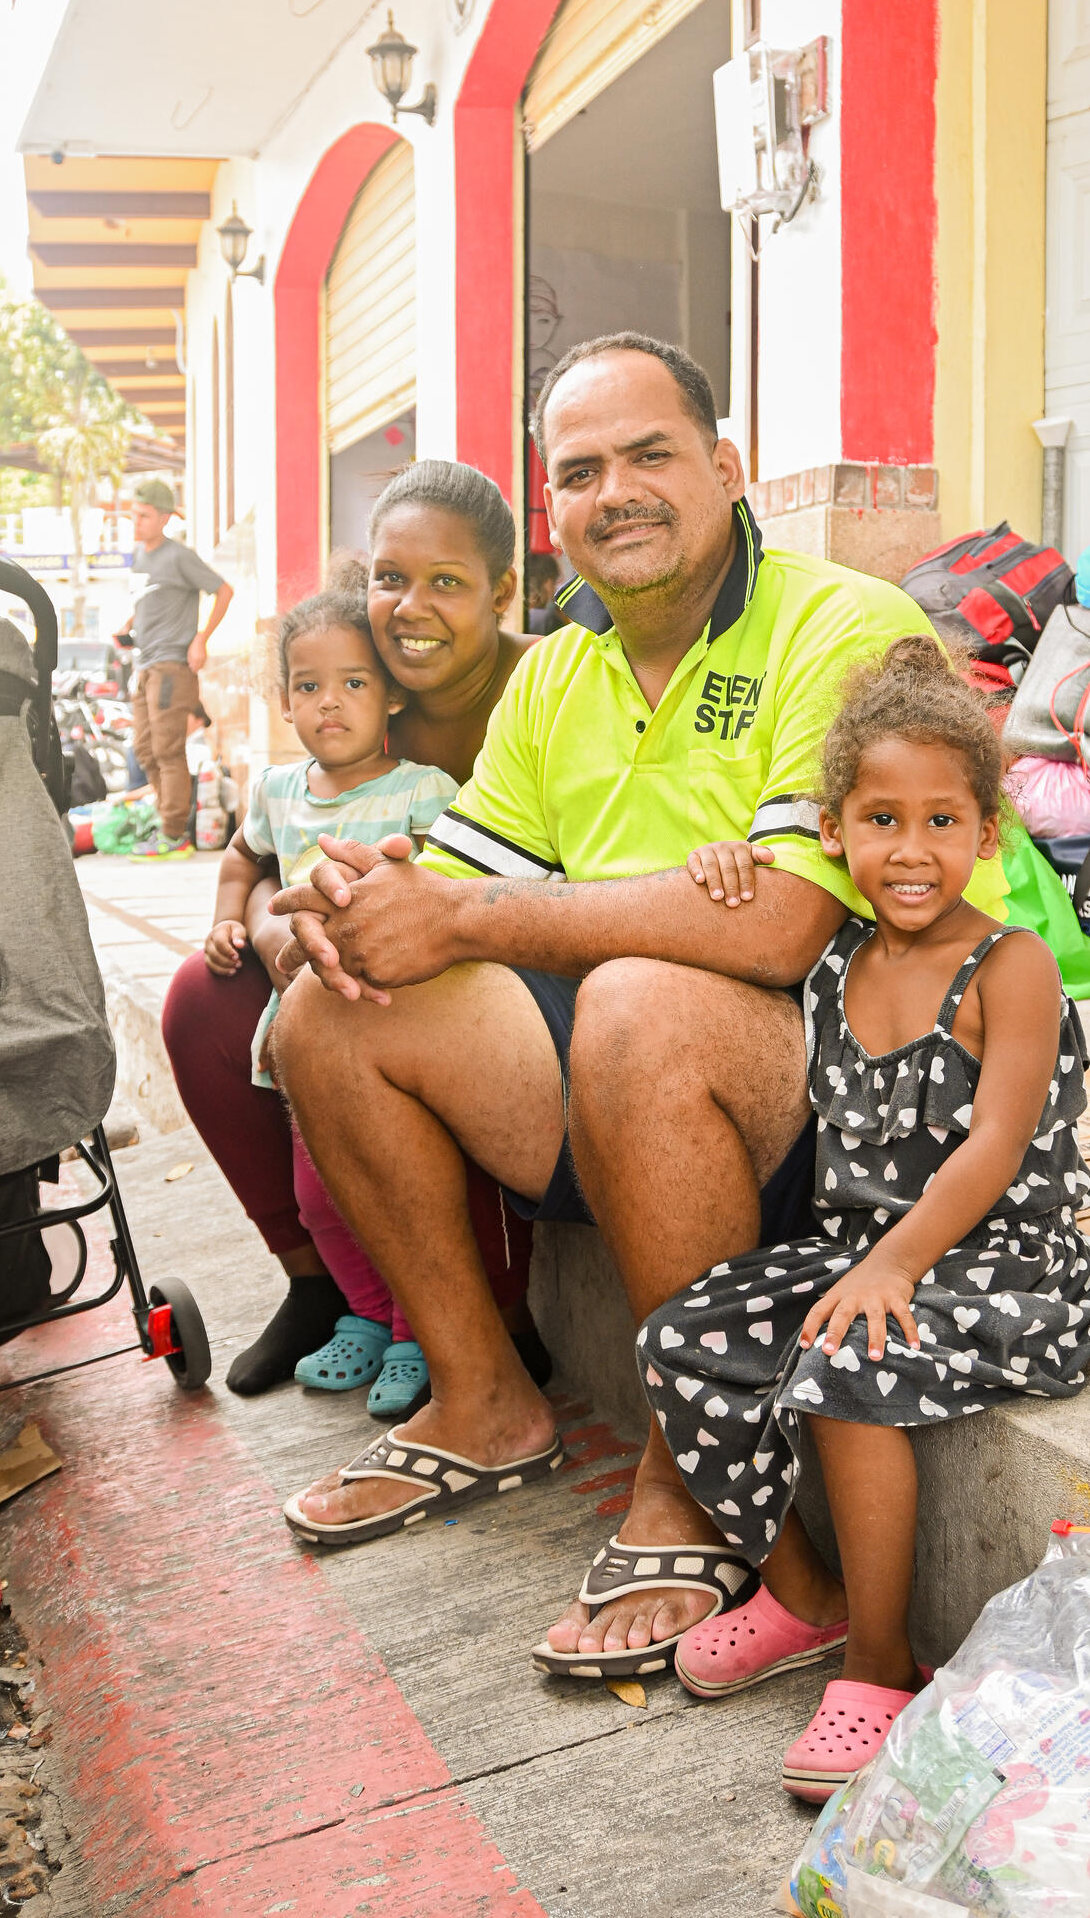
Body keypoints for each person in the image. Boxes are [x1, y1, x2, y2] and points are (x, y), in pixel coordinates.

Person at [266, 332, 1007, 1651]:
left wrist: (480, 917)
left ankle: (694, 1476)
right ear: (551, 515)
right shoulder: (557, 672)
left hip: (863, 1091)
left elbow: (783, 927)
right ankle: (484, 1400)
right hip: (635, 1093)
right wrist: (346, 907)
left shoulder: (847, 624)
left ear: (727, 469)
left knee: (637, 1000)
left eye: (649, 455)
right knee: (336, 1004)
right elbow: (448, 880)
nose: (614, 493)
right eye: (579, 472)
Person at [639, 636, 1090, 1798]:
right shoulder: (834, 956)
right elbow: (725, 909)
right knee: (683, 1335)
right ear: (834, 828)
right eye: (881, 820)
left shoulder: (1011, 965)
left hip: (1005, 1259)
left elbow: (996, 1145)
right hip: (868, 1251)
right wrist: (720, 859)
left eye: (942, 822)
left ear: (988, 833)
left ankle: (878, 1665)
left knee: (851, 1357)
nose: (911, 851)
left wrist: (896, 1268)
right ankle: (804, 1591)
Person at [160, 459, 543, 1396]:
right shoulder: (353, 704)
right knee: (199, 1000)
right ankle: (319, 1283)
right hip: (331, 956)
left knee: (400, 1015)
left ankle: (489, 1311)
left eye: (446, 583)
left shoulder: (547, 688)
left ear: (500, 591)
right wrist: (265, 930)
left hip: (484, 965)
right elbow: (265, 853)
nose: (410, 607)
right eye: (388, 579)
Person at [205, 587, 457, 1417]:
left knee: (398, 1179)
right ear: (284, 700)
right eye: (308, 686)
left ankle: (423, 1327)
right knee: (320, 1195)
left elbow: (448, 881)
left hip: (392, 1019)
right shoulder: (277, 791)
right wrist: (225, 920)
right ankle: (367, 1317)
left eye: (353, 683)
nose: (329, 703)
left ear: (391, 692)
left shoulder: (422, 789)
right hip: (301, 1031)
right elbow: (244, 862)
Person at [122, 477, 234, 859]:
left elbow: (223, 589)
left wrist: (201, 638)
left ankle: (173, 834)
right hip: (145, 665)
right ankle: (166, 820)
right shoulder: (140, 555)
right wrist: (128, 625)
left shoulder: (178, 556)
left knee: (168, 751)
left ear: (165, 518)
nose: (135, 522)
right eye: (133, 515)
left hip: (172, 666)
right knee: (145, 750)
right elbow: (147, 601)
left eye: (144, 515)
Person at [524, 550, 564, 635]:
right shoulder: (548, 619)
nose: (554, 590)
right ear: (548, 582)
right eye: (554, 583)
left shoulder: (518, 617)